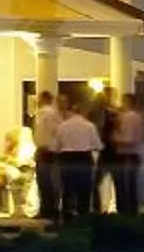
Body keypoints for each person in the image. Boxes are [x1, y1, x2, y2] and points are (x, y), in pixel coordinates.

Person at [50, 89, 104, 224]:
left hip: (67, 159)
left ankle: (67, 218)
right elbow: (98, 145)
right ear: (84, 112)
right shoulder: (89, 126)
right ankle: (83, 217)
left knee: (68, 189)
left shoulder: (62, 126)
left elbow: (54, 147)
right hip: (84, 158)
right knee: (84, 190)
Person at [110, 91, 144, 218]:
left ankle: (125, 211)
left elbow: (129, 139)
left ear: (128, 102)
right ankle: (131, 210)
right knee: (130, 184)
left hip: (126, 154)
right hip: (133, 154)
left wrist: (115, 138)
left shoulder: (129, 117)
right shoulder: (137, 116)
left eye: (123, 101)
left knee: (124, 184)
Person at [33, 88, 64, 224]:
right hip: (44, 150)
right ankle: (46, 209)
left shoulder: (50, 114)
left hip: (48, 151)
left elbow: (56, 133)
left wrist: (52, 146)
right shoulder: (42, 114)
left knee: (49, 182)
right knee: (44, 181)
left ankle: (50, 209)